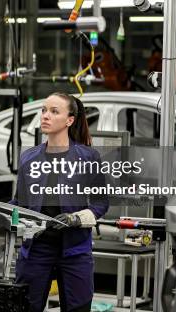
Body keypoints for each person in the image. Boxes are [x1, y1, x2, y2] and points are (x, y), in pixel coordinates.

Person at [11, 92, 109, 312]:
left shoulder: (88, 157)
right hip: (36, 249)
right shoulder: (29, 158)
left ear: (69, 120)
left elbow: (100, 203)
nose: (45, 116)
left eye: (54, 112)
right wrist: (6, 215)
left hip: (75, 251)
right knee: (25, 306)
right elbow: (19, 202)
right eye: (44, 110)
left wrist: (75, 219)